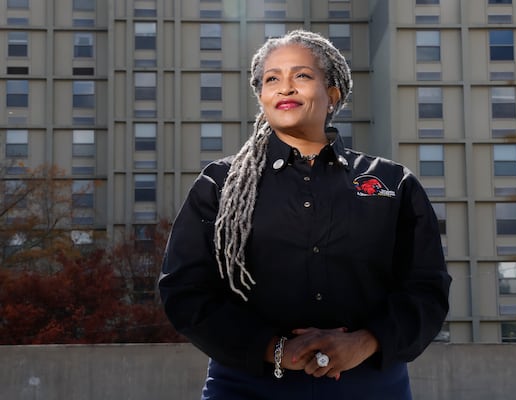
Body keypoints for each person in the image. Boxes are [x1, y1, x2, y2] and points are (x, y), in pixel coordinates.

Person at [159, 29, 451, 400]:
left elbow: (426, 287)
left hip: (371, 386)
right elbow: (185, 290)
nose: (285, 88)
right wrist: (275, 350)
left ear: (333, 94)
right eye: (271, 79)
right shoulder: (219, 184)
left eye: (301, 75)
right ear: (261, 96)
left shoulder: (392, 182)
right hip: (247, 387)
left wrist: (366, 342)